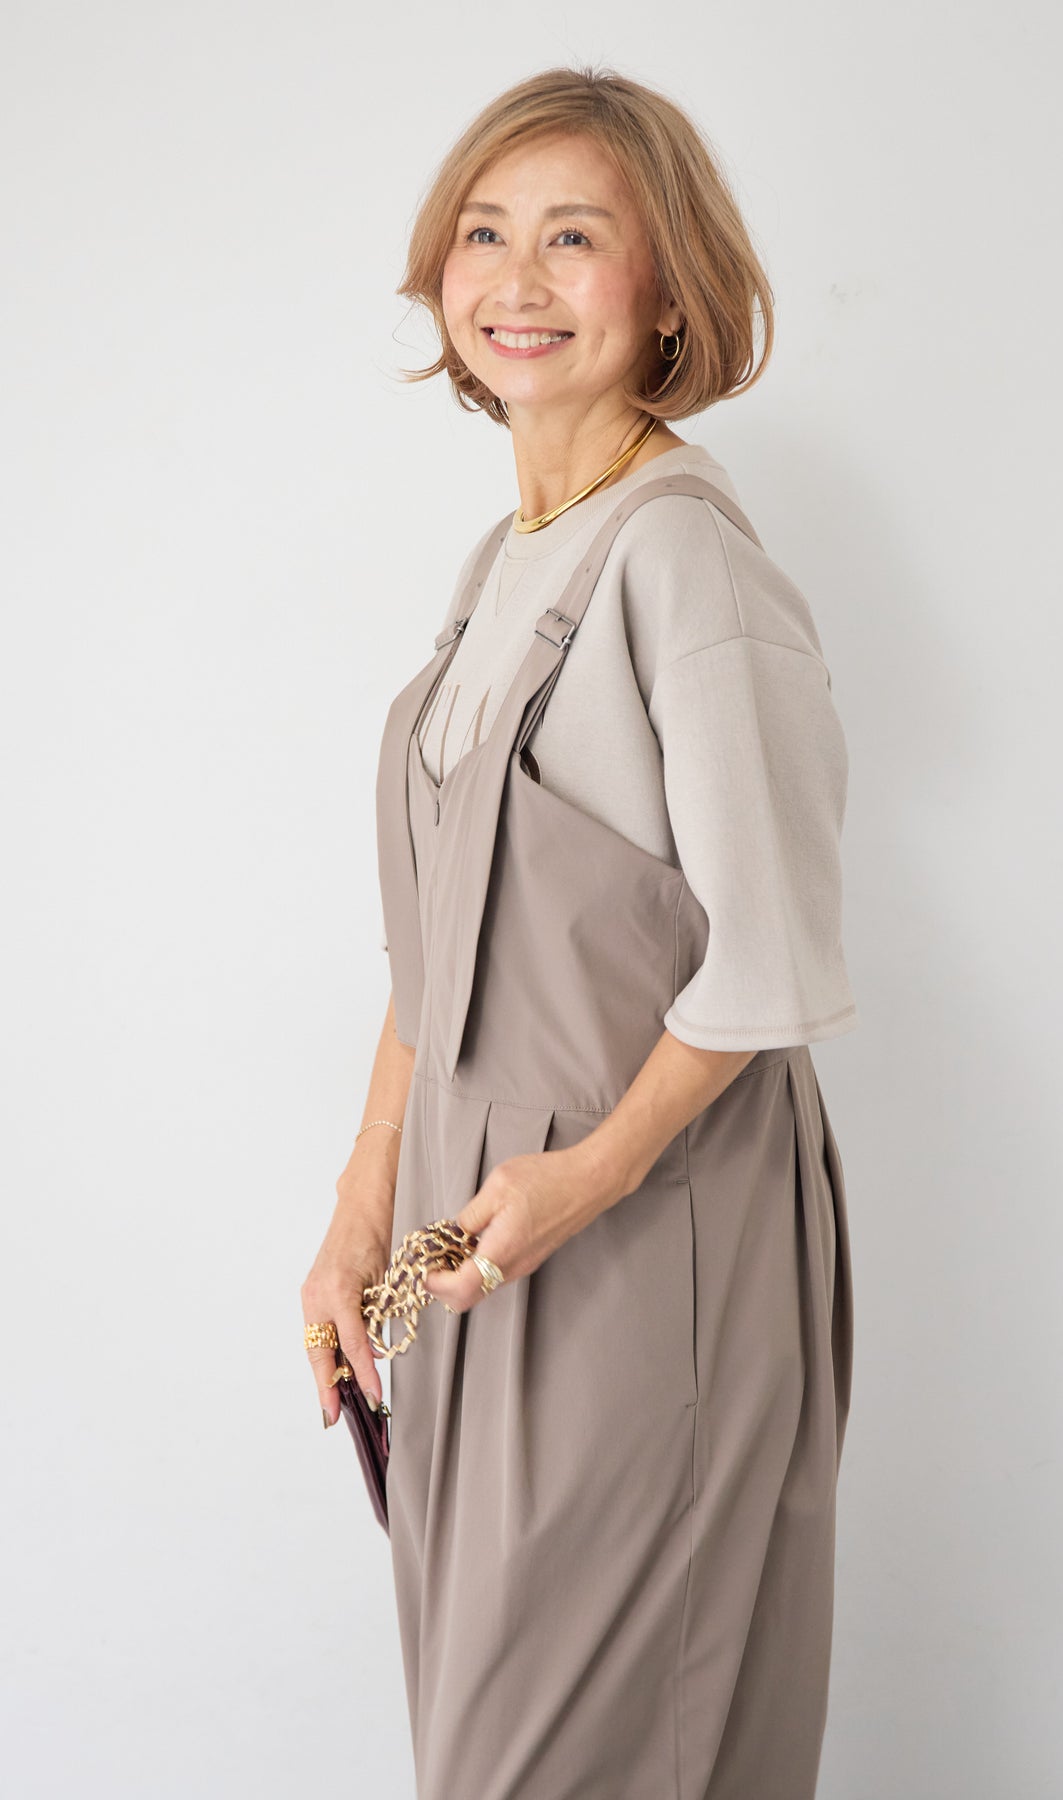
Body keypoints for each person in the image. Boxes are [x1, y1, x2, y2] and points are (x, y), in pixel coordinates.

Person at [301, 64, 858, 1800]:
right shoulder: (504, 562)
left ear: (669, 289)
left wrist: (581, 1180)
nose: (516, 280)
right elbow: (434, 951)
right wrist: (359, 1205)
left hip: (637, 1235)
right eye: (484, 234)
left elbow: (768, 961)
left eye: (572, 237)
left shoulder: (685, 565)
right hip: (481, 1244)